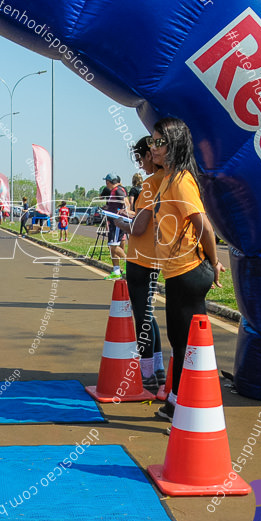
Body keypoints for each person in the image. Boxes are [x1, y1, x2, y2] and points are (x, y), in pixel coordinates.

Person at [143, 118, 225, 421]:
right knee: (180, 344)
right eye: (151, 142)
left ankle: (191, 412)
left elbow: (203, 223)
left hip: (189, 271)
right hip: (176, 272)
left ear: (174, 144)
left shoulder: (181, 180)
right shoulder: (168, 178)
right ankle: (176, 404)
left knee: (188, 347)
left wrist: (214, 261)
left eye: (158, 142)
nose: (153, 148)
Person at [113, 138, 166, 394]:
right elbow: (151, 217)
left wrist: (123, 222)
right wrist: (134, 216)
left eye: (140, 158)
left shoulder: (150, 183)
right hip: (155, 256)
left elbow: (139, 227)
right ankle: (158, 370)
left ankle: (146, 376)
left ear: (150, 154)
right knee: (149, 315)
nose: (140, 164)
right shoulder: (168, 180)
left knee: (142, 318)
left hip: (140, 258)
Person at [99, 174, 128, 280]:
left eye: (107, 182)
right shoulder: (114, 191)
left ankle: (129, 262)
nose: (106, 184)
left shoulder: (118, 190)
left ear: (110, 182)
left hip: (116, 222)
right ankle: (116, 271)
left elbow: (126, 203)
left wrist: (124, 213)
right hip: (112, 221)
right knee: (112, 247)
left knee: (114, 246)